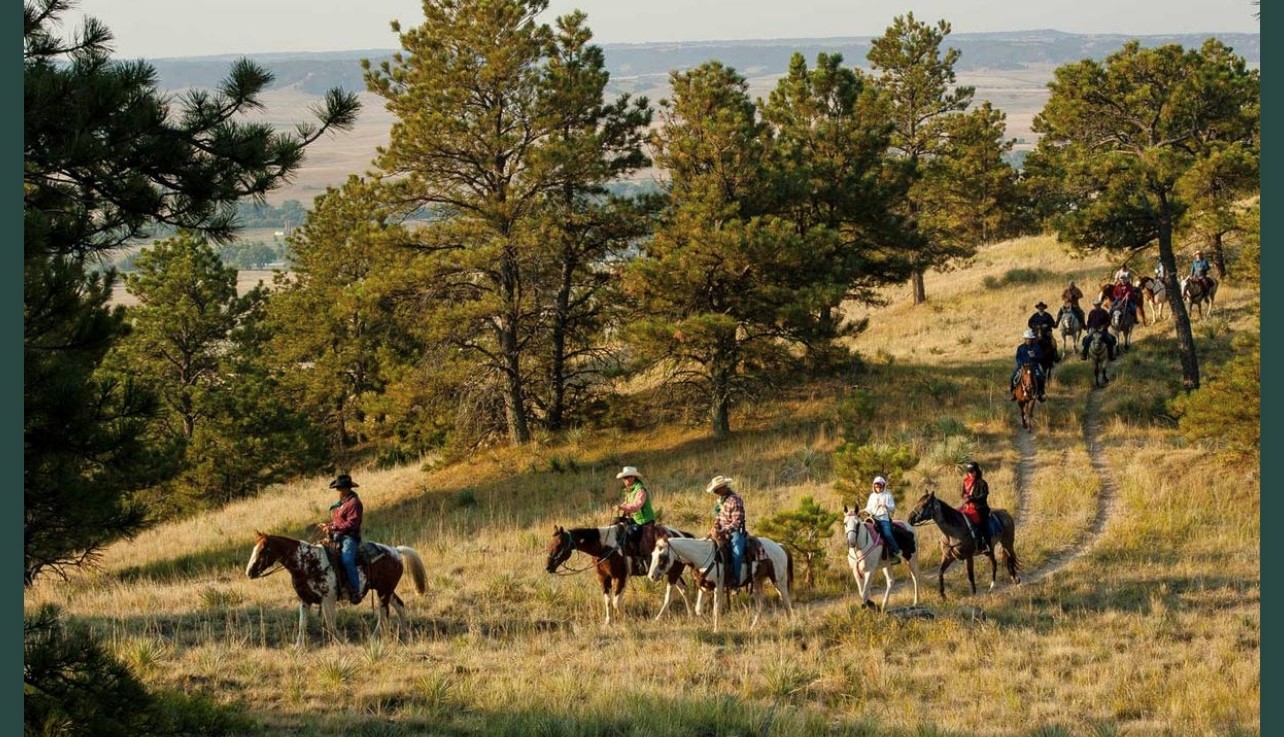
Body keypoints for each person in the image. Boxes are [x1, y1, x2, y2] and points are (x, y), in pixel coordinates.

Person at [317, 474, 364, 604]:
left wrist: (334, 528)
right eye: (337, 488)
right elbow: (338, 522)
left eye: (340, 488)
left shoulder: (354, 503)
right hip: (338, 536)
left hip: (349, 537)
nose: (338, 491)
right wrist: (329, 526)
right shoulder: (342, 503)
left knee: (347, 559)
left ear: (347, 488)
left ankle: (355, 591)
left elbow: (352, 524)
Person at [707, 475, 747, 587]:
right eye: (715, 490)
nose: (715, 492)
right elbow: (718, 517)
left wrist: (723, 530)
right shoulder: (721, 501)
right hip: (720, 531)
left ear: (723, 487)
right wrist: (715, 528)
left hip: (733, 532)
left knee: (737, 552)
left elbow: (737, 521)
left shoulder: (735, 500)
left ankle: (735, 580)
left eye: (717, 489)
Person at [614, 466, 655, 570]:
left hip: (645, 520)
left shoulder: (640, 490)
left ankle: (640, 559)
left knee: (633, 534)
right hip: (636, 519)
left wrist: (621, 507)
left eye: (627, 477)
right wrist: (620, 507)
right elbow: (627, 503)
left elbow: (637, 506)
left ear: (633, 478)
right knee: (616, 524)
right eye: (624, 478)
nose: (625, 480)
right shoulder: (629, 491)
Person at [863, 476, 901, 564]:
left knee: (887, 534)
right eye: (876, 486)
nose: (878, 488)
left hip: (884, 519)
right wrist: (862, 511)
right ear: (874, 486)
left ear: (883, 486)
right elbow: (869, 508)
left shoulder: (887, 495)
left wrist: (886, 505)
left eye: (880, 486)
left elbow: (893, 508)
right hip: (874, 518)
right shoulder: (872, 496)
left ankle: (895, 551)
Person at [959, 462, 992, 554]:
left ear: (977, 471)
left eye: (972, 471)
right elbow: (963, 493)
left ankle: (986, 546)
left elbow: (983, 496)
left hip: (980, 508)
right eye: (969, 472)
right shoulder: (966, 481)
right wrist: (965, 496)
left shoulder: (982, 483)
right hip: (968, 506)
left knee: (982, 525)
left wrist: (972, 498)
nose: (970, 473)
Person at [1011, 329, 1046, 402]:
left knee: (1041, 377)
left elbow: (1042, 357)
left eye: (1029, 339)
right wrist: (1021, 364)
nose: (1028, 340)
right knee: (1014, 376)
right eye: (1026, 339)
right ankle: (1013, 393)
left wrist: (1034, 357)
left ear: (1032, 339)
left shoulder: (1036, 347)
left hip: (1034, 366)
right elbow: (1018, 357)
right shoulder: (1020, 348)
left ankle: (1041, 393)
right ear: (1024, 339)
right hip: (1023, 367)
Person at [1080, 296, 1118, 360]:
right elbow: (1089, 322)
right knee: (1086, 340)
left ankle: (1111, 356)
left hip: (1102, 331)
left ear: (1100, 305)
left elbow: (1108, 321)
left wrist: (1104, 327)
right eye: (1095, 305)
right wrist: (1088, 328)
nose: (1096, 306)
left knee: (1110, 340)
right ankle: (1084, 355)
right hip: (1093, 330)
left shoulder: (1104, 312)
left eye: (1097, 305)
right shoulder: (1091, 312)